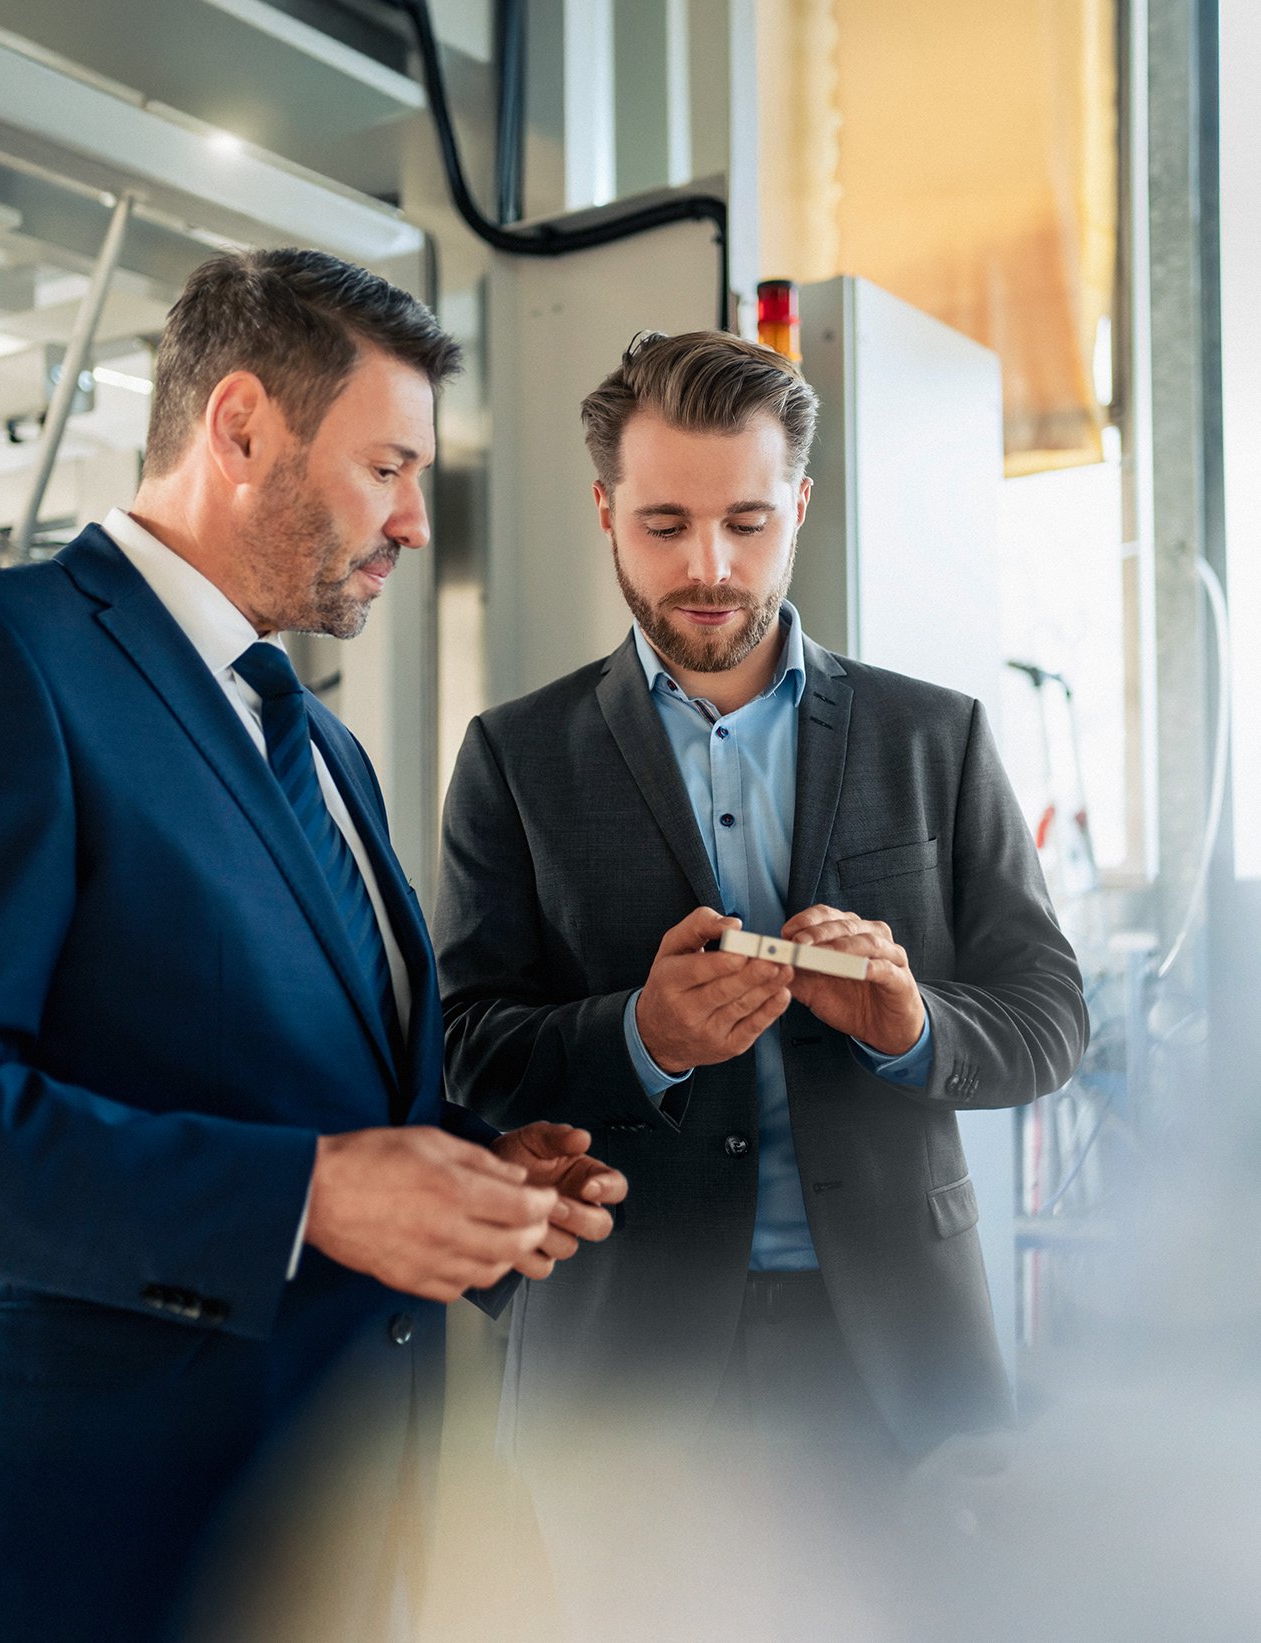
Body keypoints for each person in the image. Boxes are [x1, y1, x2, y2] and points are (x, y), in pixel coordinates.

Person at [0, 248, 624, 1643]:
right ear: (239, 427)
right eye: (386, 466)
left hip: (318, 1550)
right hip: (80, 1565)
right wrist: (307, 1196)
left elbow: (295, 1080)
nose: (412, 520)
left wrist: (468, 1170)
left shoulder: (325, 747)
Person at [434, 329, 1088, 1551]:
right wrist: (638, 1034)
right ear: (603, 509)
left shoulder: (930, 736)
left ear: (797, 502)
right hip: (619, 1370)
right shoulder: (513, 757)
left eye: (745, 520)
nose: (708, 567)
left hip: (897, 1367)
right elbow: (466, 1048)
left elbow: (1050, 1015)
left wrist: (914, 1026)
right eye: (664, 524)